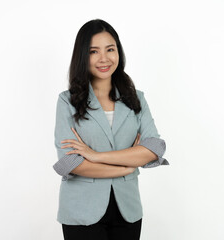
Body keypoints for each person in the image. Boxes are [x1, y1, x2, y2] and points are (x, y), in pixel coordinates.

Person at [53, 19, 169, 240]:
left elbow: (154, 148)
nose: (104, 58)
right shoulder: (67, 101)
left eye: (110, 49)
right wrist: (125, 167)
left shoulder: (137, 99)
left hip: (128, 210)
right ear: (82, 56)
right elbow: (72, 163)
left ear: (119, 52)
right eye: (93, 51)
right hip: (81, 210)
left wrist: (96, 156)